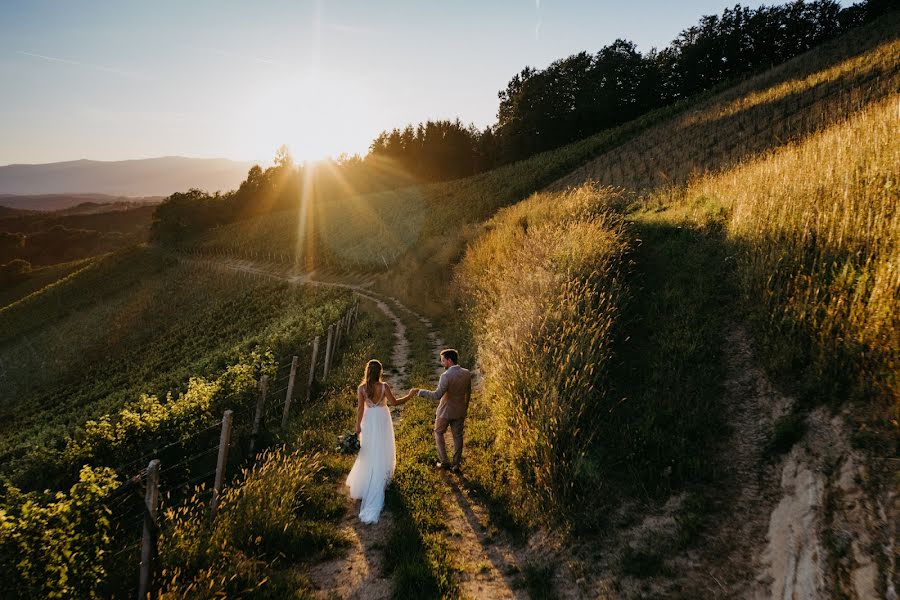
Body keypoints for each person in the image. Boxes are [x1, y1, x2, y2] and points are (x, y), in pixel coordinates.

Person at [346, 359, 412, 523]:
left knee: (368, 449)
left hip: (368, 420)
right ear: (380, 372)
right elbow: (395, 403)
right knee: (383, 447)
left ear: (367, 371)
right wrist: (410, 395)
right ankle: (382, 477)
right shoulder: (384, 387)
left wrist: (358, 427)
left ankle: (366, 481)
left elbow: (361, 409)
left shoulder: (362, 389)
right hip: (382, 417)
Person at [410, 349, 472, 474]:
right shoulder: (466, 373)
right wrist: (465, 407)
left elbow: (437, 395)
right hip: (460, 410)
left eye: (443, 360)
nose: (442, 363)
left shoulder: (446, 376)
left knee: (438, 432)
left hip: (445, 411)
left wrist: (420, 392)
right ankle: (456, 465)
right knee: (458, 437)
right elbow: (468, 393)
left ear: (449, 360)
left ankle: (444, 461)